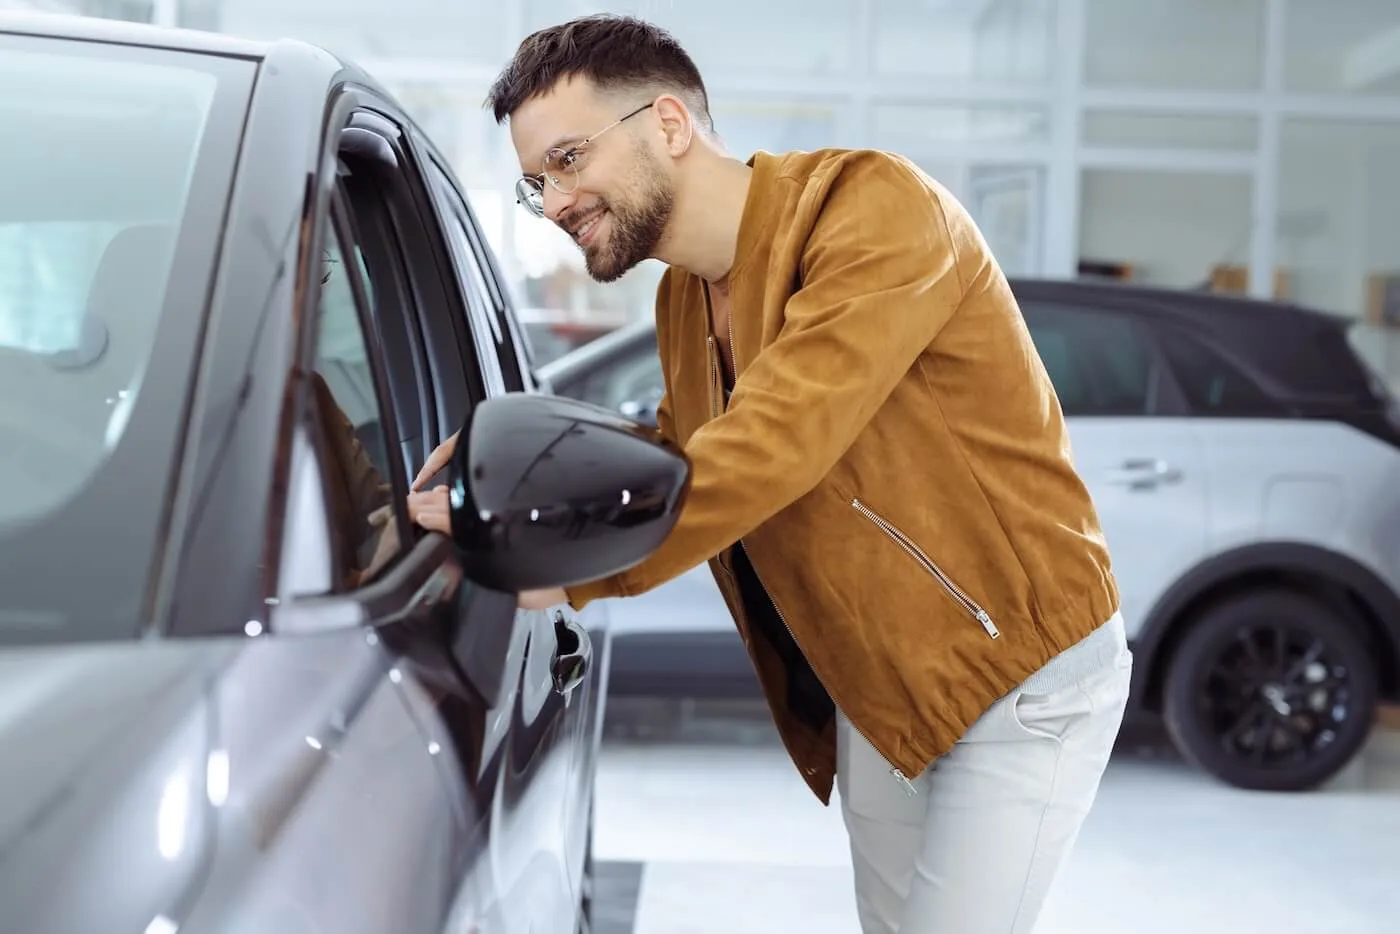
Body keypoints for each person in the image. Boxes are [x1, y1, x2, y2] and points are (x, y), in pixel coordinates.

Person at [408, 14, 1132, 934]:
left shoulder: (873, 210)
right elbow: (670, 457)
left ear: (667, 123)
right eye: (536, 182)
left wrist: (575, 573)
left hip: (1020, 671)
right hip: (874, 675)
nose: (553, 202)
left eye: (570, 159)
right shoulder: (682, 300)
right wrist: (506, 460)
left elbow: (775, 443)